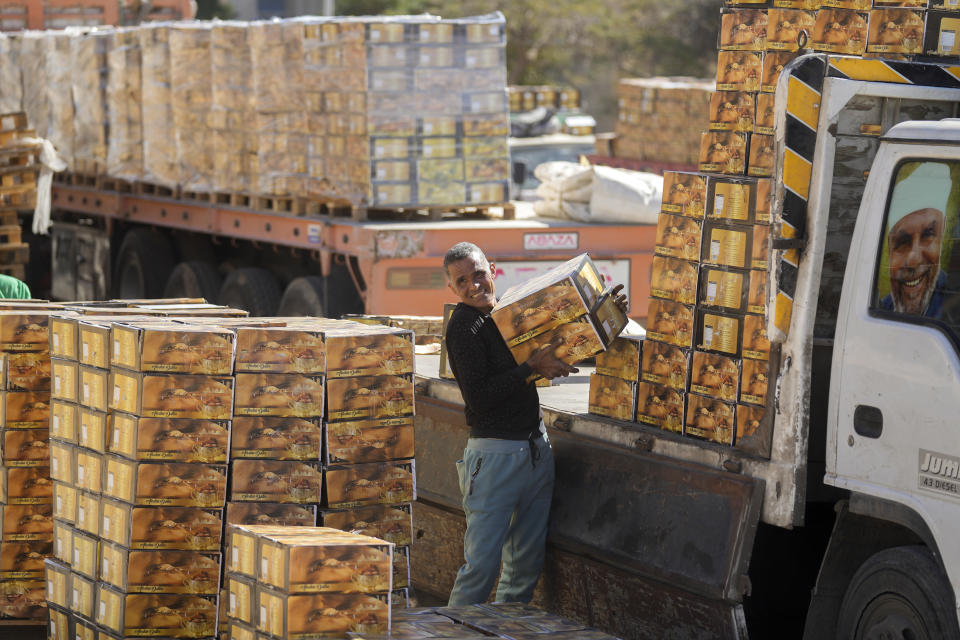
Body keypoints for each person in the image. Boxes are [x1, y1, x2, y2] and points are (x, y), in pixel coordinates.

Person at [442, 241, 626, 606]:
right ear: (452, 289)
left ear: (492, 269)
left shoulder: (508, 316)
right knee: (481, 568)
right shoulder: (464, 327)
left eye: (478, 274)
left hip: (534, 449)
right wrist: (529, 369)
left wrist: (609, 316)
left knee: (524, 566)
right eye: (462, 282)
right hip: (494, 456)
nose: (473, 286)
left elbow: (561, 349)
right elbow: (479, 397)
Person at [879, 162, 951, 318]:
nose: (913, 260)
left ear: (942, 234)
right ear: (889, 248)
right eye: (902, 242)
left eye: (927, 235)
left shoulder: (953, 308)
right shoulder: (883, 308)